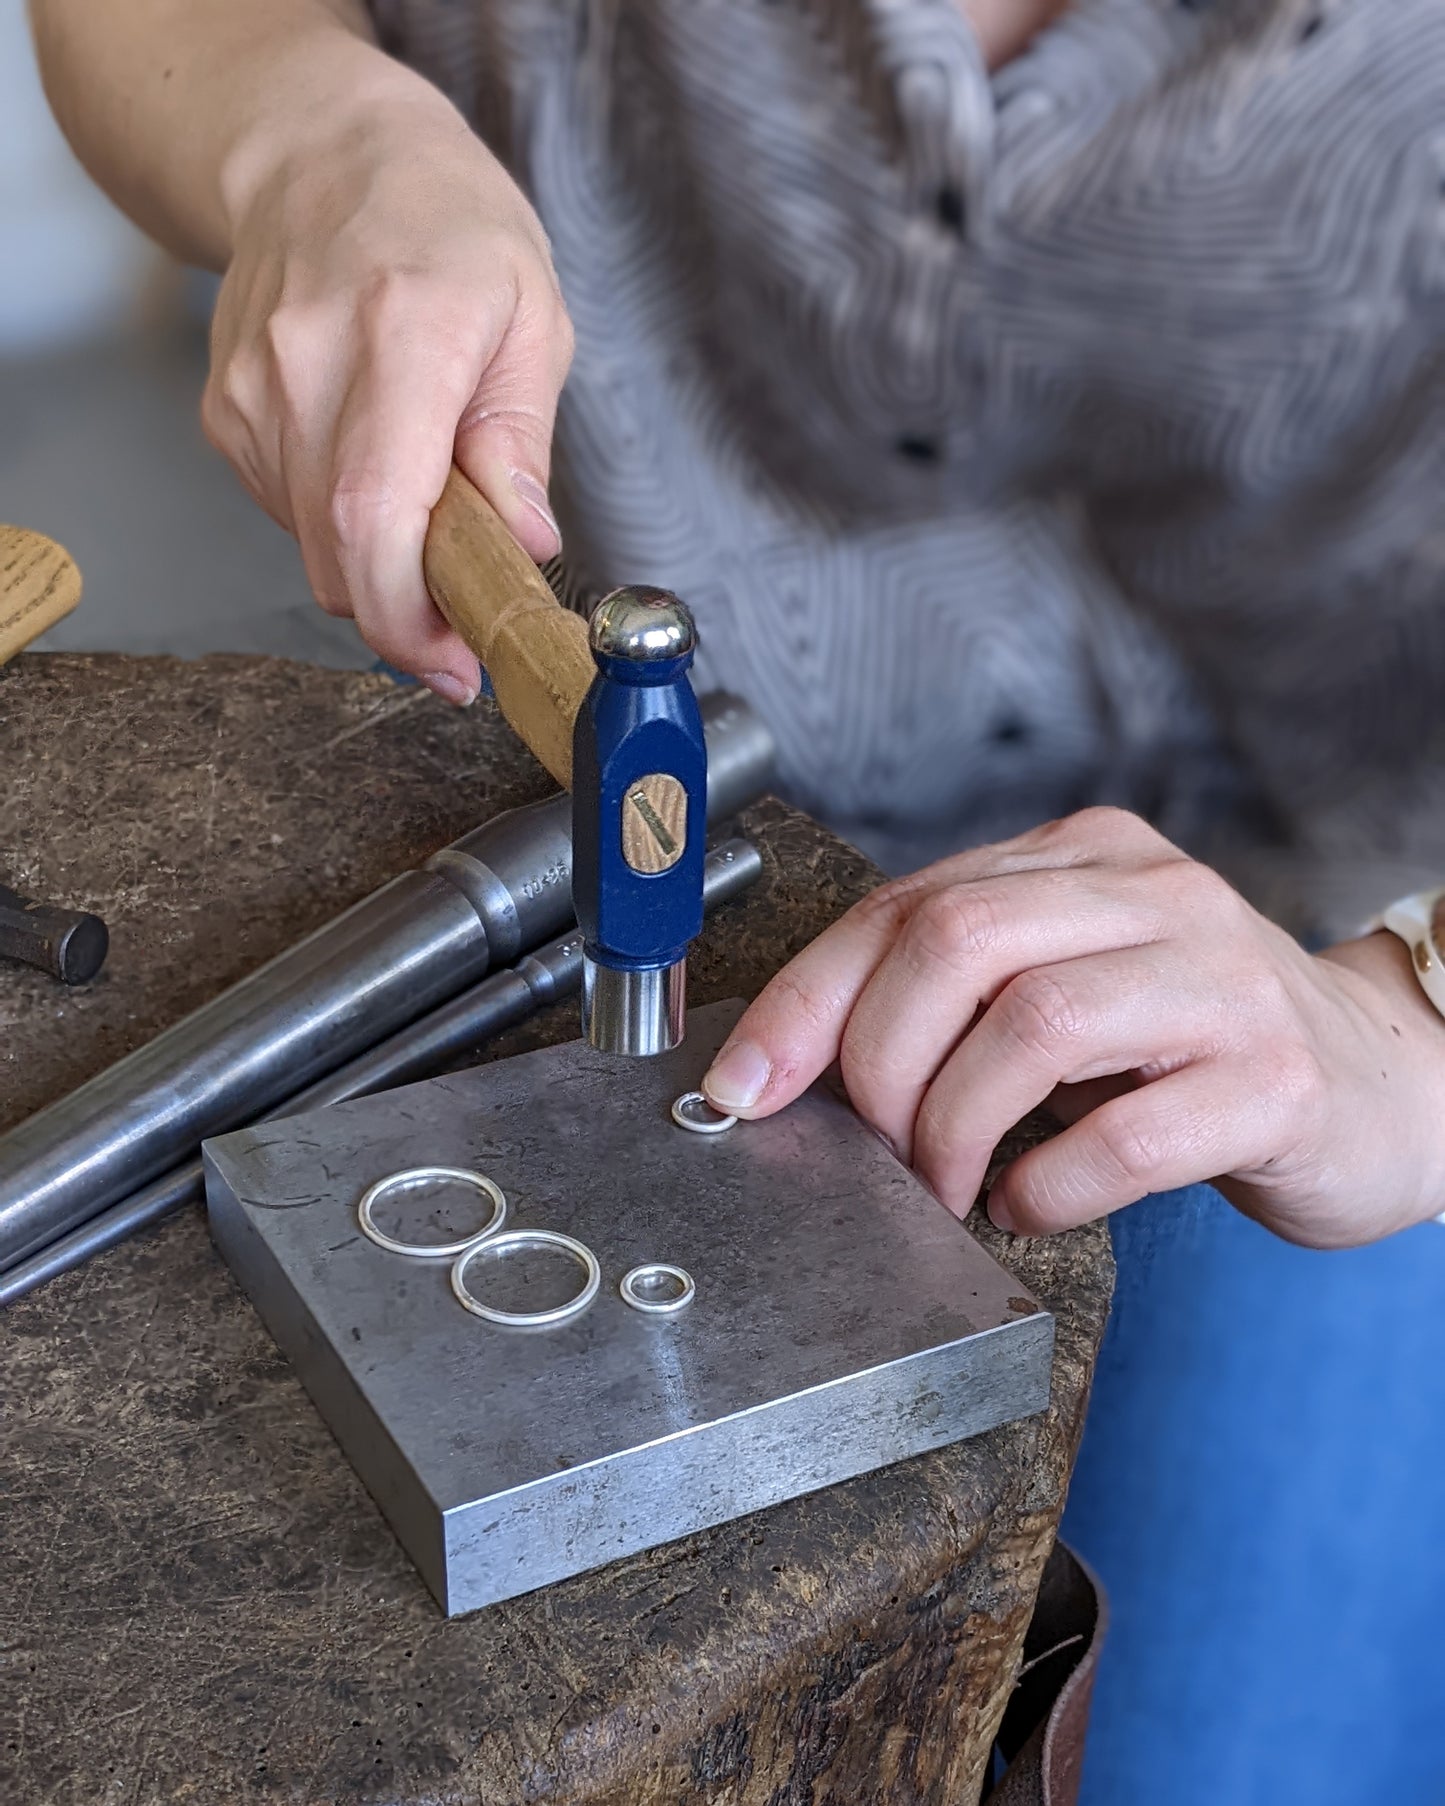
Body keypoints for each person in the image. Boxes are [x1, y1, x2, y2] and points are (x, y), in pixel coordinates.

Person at [30, 0, 1445, 1797]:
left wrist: (1407, 1022)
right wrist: (310, 129)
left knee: (1210, 1746)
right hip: (592, 832)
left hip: (1307, 1005)